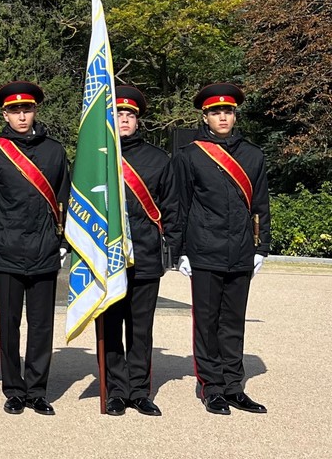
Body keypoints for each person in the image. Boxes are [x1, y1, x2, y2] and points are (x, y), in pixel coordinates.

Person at [175, 82, 270, 416]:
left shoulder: (253, 154)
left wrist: (262, 247)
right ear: (206, 116)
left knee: (233, 322)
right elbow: (180, 206)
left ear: (235, 115)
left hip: (242, 249)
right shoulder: (190, 155)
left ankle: (233, 386)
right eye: (216, 112)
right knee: (207, 322)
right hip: (203, 249)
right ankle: (212, 387)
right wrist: (180, 250)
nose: (223, 117)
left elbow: (260, 204)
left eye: (227, 111)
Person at [0, 81, 70, 417]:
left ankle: (37, 390)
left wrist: (63, 242)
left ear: (35, 111)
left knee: (42, 324)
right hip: (7, 249)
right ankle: (14, 389)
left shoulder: (55, 151)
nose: (21, 115)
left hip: (45, 248)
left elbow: (64, 200)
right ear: (5, 113)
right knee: (9, 323)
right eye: (15, 110)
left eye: (27, 109)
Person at [102, 85, 181, 417]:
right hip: (107, 258)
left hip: (146, 255)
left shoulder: (158, 159)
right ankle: (116, 391)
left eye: (129, 115)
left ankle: (139, 391)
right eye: (118, 114)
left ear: (138, 120)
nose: (124, 119)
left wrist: (175, 252)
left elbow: (173, 208)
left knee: (140, 328)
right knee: (110, 326)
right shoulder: (97, 157)